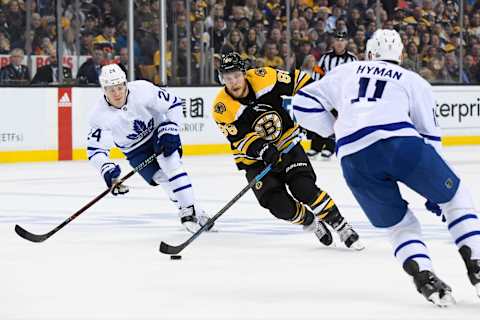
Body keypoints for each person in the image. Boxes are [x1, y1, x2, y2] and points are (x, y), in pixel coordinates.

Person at [292, 29, 480, 306]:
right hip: (400, 144)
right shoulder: (413, 80)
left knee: (399, 226)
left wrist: (334, 133)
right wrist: (435, 191)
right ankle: (476, 265)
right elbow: (430, 138)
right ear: (401, 55)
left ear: (369, 54)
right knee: (455, 198)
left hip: (353, 159)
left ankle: (425, 278)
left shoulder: (347, 70)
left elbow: (302, 104)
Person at [211, 52, 363, 250]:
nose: (234, 82)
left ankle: (341, 226)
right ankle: (311, 222)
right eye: (228, 78)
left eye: (237, 76)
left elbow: (299, 80)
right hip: (254, 161)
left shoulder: (264, 77)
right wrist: (263, 149)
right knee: (277, 205)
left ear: (244, 73)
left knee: (304, 189)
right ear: (222, 79)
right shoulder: (221, 108)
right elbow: (239, 139)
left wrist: (319, 101)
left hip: (287, 144)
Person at [87, 64, 211, 233]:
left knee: (170, 163)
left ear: (125, 84)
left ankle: (187, 212)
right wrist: (107, 169)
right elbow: (94, 150)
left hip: (158, 132)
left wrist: (172, 128)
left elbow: (174, 104)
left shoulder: (142, 90)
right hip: (134, 150)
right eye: (111, 89)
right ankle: (197, 211)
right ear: (103, 90)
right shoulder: (98, 115)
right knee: (161, 177)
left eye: (119, 87)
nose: (117, 93)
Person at [308, 31, 358, 160]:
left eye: (342, 40)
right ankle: (316, 147)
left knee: (336, 121)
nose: (339, 43)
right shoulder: (326, 57)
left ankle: (330, 147)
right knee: (321, 119)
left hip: (343, 96)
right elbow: (317, 71)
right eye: (337, 40)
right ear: (333, 43)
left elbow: (356, 77)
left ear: (346, 43)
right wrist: (316, 87)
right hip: (326, 94)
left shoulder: (352, 59)